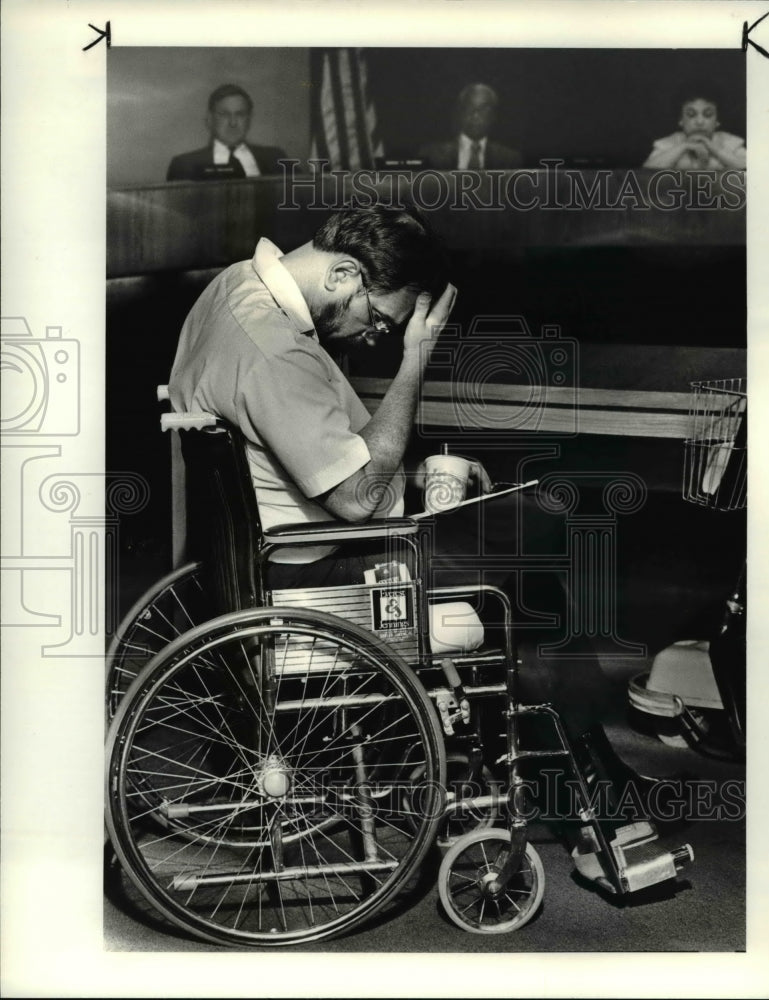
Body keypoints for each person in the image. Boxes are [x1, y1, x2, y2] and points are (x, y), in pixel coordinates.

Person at [169, 205, 681, 868]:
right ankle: (588, 804)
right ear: (344, 273)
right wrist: (415, 360)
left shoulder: (234, 285)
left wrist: (420, 474)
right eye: (379, 317)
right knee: (525, 579)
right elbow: (356, 497)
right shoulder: (274, 351)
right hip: (312, 574)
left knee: (510, 548)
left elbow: (320, 452)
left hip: (266, 554)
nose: (377, 335)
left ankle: (587, 773)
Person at [166, 84, 287, 181]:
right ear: (209, 119)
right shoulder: (185, 165)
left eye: (240, 114)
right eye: (224, 114)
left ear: (249, 119)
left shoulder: (276, 158)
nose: (233, 123)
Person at [419, 83, 523, 171]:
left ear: (494, 116)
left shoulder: (510, 160)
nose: (475, 115)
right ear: (459, 112)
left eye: (483, 109)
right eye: (469, 108)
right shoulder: (431, 156)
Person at [643, 90, 746, 170]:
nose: (700, 122)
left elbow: (753, 169)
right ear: (681, 120)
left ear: (717, 121)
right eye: (691, 115)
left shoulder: (730, 142)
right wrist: (684, 146)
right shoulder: (669, 143)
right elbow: (645, 171)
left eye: (708, 115)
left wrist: (714, 149)